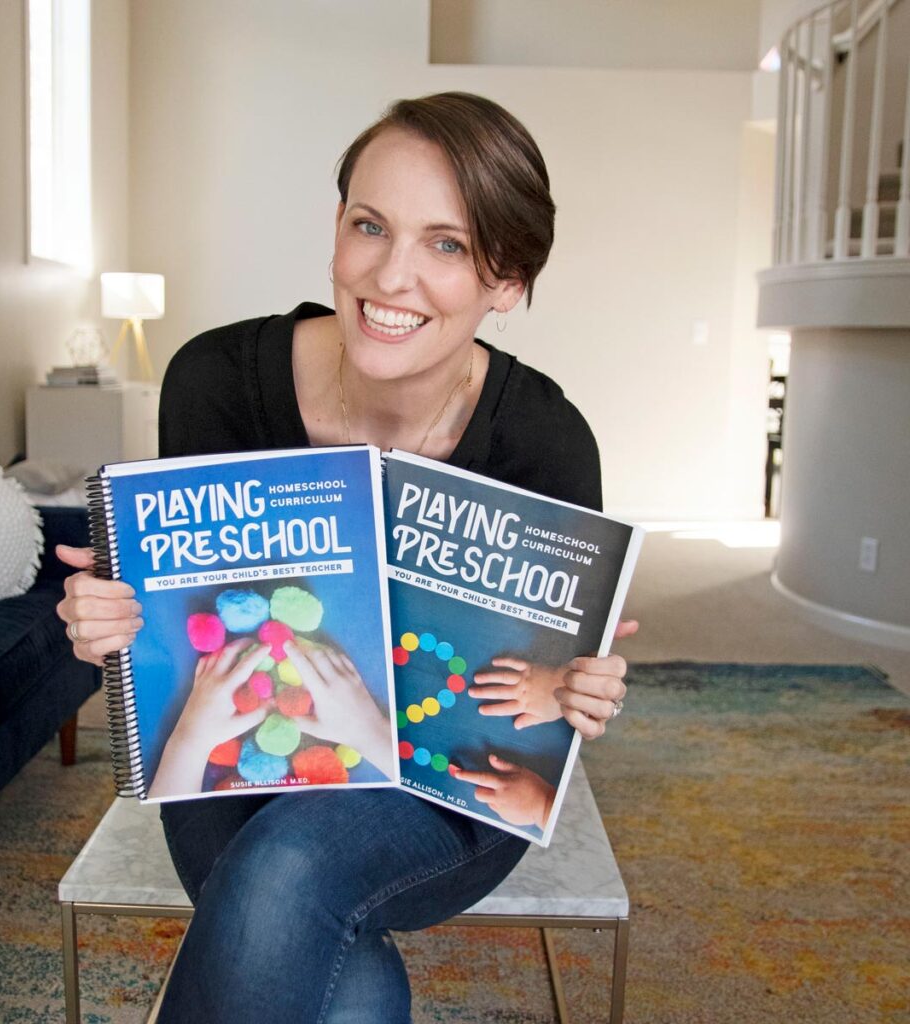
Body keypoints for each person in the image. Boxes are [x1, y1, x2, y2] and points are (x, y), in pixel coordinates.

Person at [56, 91, 636, 1024]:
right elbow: (182, 636)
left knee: (288, 873)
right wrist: (117, 623)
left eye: (446, 245)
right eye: (371, 226)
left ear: (510, 281)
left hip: (448, 794)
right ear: (337, 228)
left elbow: (536, 706)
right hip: (234, 759)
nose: (391, 276)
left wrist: (577, 690)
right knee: (328, 962)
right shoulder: (215, 382)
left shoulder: (546, 440)